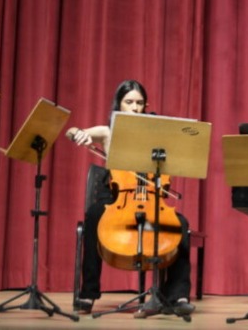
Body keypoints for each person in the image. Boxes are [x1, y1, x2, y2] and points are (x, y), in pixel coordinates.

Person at [66, 79, 194, 318]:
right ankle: (88, 292)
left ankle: (177, 295)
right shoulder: (108, 132)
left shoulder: (158, 134)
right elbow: (73, 131)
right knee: (94, 214)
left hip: (153, 200)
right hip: (116, 197)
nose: (135, 108)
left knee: (182, 224)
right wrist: (78, 134)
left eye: (140, 103)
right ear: (119, 104)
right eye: (129, 102)